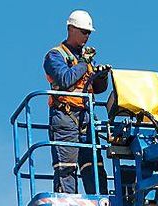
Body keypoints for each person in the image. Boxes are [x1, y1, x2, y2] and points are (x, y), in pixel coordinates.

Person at [44, 10, 111, 194]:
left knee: (94, 167)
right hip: (65, 117)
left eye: (88, 32)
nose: (87, 36)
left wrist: (101, 76)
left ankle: (100, 199)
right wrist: (83, 62)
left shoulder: (85, 58)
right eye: (83, 31)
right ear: (71, 29)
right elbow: (66, 79)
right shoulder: (55, 56)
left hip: (86, 118)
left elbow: (96, 88)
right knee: (66, 167)